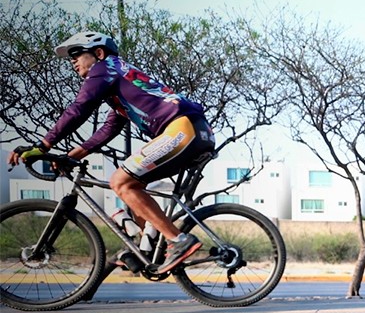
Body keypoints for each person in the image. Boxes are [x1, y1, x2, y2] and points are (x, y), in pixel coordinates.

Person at [7, 31, 215, 273]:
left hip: (181, 129)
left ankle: (178, 240)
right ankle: (144, 250)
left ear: (98, 53)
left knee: (121, 182)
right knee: (133, 187)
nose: (72, 62)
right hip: (195, 130)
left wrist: (43, 146)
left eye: (76, 54)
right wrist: (71, 156)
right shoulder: (119, 80)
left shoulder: (105, 68)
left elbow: (78, 109)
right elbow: (108, 129)